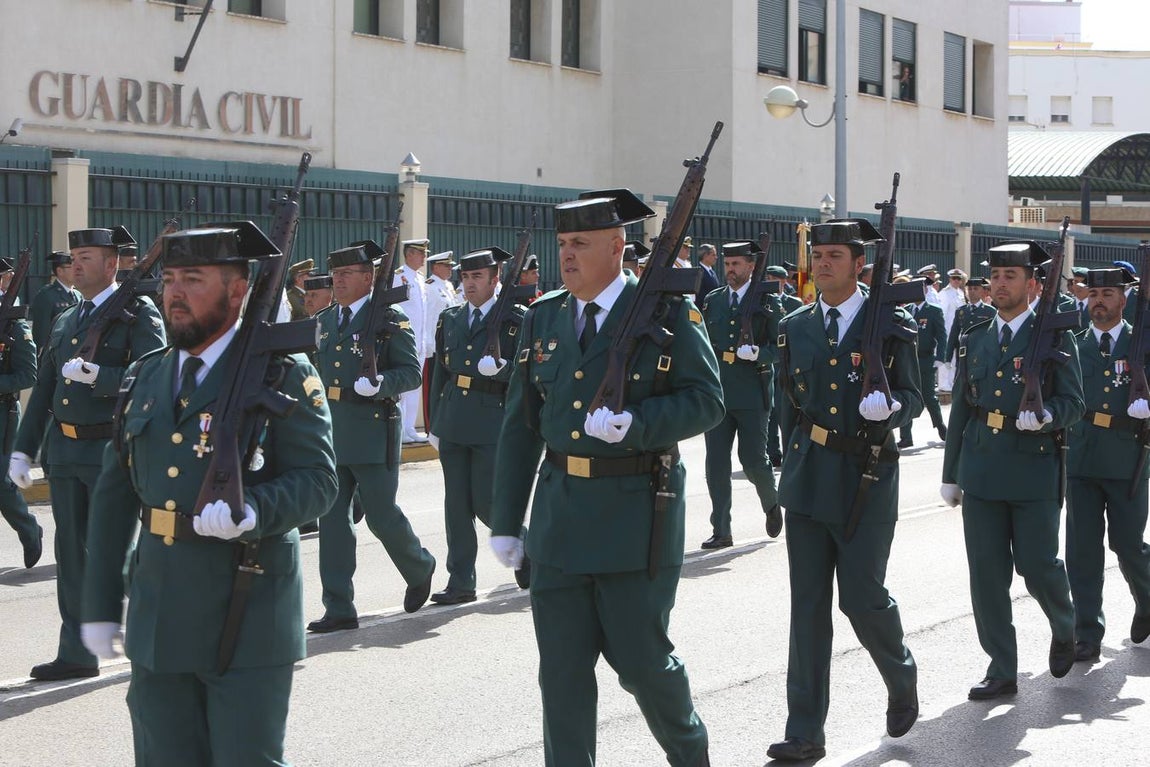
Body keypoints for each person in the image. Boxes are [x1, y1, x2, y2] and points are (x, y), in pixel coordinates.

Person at [79, 221, 338, 766]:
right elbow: (113, 499)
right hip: (159, 612)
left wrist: (253, 511)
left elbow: (319, 481)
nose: (174, 292)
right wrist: (100, 605)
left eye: (193, 279)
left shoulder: (285, 373)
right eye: (170, 279)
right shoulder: (145, 376)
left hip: (247, 608)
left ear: (237, 290)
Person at [490, 188, 721, 767]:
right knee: (562, 679)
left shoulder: (664, 312)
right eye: (563, 243)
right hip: (560, 517)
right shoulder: (544, 316)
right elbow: (521, 426)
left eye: (581, 244)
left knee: (643, 665)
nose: (567, 256)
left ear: (618, 247)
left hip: (636, 514)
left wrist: (639, 423)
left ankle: (690, 753)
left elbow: (707, 400)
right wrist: (506, 521)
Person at [767, 219, 921, 761]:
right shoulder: (794, 325)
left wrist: (894, 406)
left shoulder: (891, 323)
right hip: (809, 479)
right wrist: (777, 469)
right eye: (819, 254)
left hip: (868, 476)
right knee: (808, 607)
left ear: (860, 265)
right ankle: (804, 731)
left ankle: (901, 675)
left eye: (836, 255)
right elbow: (785, 402)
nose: (824, 263)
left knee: (861, 598)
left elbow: (914, 393)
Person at [10, 225, 166, 682]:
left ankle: (152, 637)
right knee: (73, 557)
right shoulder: (65, 318)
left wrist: (101, 375)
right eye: (74, 256)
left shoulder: (139, 313)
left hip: (109, 451)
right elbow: (43, 390)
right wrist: (24, 450)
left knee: (114, 554)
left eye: (87, 257)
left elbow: (155, 380)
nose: (75, 264)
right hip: (64, 450)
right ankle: (77, 653)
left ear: (112, 264)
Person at [941, 240, 1083, 700]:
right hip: (981, 468)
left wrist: (1047, 416)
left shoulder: (1057, 337)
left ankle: (1065, 625)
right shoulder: (976, 335)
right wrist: (951, 472)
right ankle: (1002, 667)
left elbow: (1075, 403)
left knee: (1038, 567)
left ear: (1033, 284)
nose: (1000, 284)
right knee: (986, 573)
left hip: (1033, 469)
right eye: (995, 276)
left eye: (1011, 277)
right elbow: (963, 405)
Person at [308, 240, 436, 633]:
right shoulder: (328, 320)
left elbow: (411, 373)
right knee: (332, 523)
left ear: (368, 279)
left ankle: (419, 566)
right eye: (336, 274)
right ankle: (339, 606)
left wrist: (380, 383)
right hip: (333, 429)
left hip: (372, 427)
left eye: (347, 274)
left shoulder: (389, 320)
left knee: (381, 516)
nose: (339, 280)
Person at [427, 247, 528, 604]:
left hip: (493, 419)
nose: (469, 285)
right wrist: (433, 422)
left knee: (487, 502)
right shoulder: (451, 318)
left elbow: (531, 376)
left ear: (495, 279)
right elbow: (440, 370)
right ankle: (460, 580)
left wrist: (502, 371)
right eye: (465, 278)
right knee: (455, 506)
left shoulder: (517, 319)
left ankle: (529, 549)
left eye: (477, 277)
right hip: (453, 418)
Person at [1065, 266, 1150, 661]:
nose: (1098, 300)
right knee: (1082, 550)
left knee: (1128, 544)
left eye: (1108, 294)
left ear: (1124, 298)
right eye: (1093, 294)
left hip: (1127, 454)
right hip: (1080, 455)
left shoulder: (1142, 343)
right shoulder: (1072, 345)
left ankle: (1147, 600)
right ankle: (1086, 633)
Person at [700, 241, 783, 548]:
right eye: (727, 264)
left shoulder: (768, 302)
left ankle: (771, 504)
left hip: (751, 391)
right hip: (719, 392)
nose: (730, 270)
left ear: (751, 266)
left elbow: (781, 349)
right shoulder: (714, 300)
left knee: (753, 461)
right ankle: (721, 529)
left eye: (736, 264)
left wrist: (760, 353)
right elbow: (704, 344)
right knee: (716, 464)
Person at [0, 304, 40, 569]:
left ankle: (29, 530)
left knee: (2, 485)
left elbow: (29, 375)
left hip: (2, 414)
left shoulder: (14, 326)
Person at [897, 278, 948, 447]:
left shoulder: (933, 310)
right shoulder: (907, 310)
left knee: (929, 396)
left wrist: (940, 357)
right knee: (906, 394)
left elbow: (941, 336)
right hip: (908, 359)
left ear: (926, 291)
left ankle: (940, 427)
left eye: (921, 289)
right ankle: (906, 437)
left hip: (926, 360)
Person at [393, 238, 431, 442]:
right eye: (421, 253)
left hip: (420, 339)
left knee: (416, 384)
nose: (425, 257)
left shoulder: (419, 278)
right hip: (405, 338)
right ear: (409, 255)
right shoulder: (399, 277)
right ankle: (400, 426)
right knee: (403, 385)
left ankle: (409, 428)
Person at [765, 264, 802, 467]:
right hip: (769, 365)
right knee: (770, 413)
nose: (770, 283)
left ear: (783, 281)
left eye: (775, 280)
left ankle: (791, 451)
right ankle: (772, 453)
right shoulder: (762, 302)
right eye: (768, 279)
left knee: (785, 412)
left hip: (788, 365)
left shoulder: (794, 303)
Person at [424, 250, 462, 427]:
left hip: (449, 344)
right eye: (446, 266)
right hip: (435, 344)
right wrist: (429, 343)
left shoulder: (447, 286)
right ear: (436, 267)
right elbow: (427, 317)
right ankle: (431, 423)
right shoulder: (430, 287)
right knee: (433, 386)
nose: (450, 269)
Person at [30, 250, 80, 352]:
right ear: (60, 271)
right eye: (70, 267)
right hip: (55, 353)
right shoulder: (47, 295)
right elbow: (41, 330)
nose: (76, 270)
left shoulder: (79, 295)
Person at [945, 277, 996, 364]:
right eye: (969, 289)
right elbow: (954, 334)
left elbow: (994, 335)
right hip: (963, 354)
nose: (972, 291)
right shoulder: (961, 311)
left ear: (982, 291)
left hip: (982, 354)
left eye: (975, 289)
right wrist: (948, 358)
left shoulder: (990, 311)